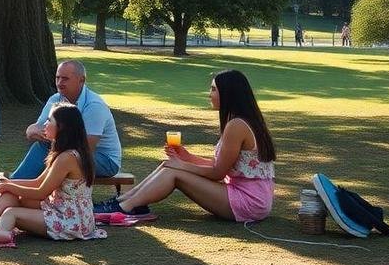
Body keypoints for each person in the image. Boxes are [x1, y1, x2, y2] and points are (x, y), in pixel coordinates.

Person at [94, 69, 276, 223]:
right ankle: (124, 201)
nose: (209, 94)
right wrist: (187, 157)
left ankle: (125, 207)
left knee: (174, 171)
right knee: (168, 165)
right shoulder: (242, 121)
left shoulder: (236, 126)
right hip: (248, 195)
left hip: (250, 202)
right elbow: (219, 164)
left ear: (228, 93)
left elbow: (218, 173)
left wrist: (183, 165)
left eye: (213, 89)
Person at [0, 104, 106, 243]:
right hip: (59, 208)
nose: (44, 124)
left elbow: (41, 192)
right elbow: (38, 182)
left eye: (49, 121)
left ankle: (1, 231)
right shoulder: (64, 153)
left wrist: (11, 187)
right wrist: (9, 184)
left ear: (62, 127)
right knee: (10, 195)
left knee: (11, 213)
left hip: (71, 221)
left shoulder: (67, 158)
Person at [10, 60, 122, 182]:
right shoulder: (56, 99)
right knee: (44, 147)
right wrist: (33, 130)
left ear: (82, 80)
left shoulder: (94, 105)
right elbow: (36, 129)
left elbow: (87, 146)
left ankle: (17, 184)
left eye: (65, 79)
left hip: (104, 160)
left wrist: (52, 136)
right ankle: (18, 186)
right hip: (71, 153)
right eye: (57, 78)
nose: (59, 83)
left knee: (55, 153)